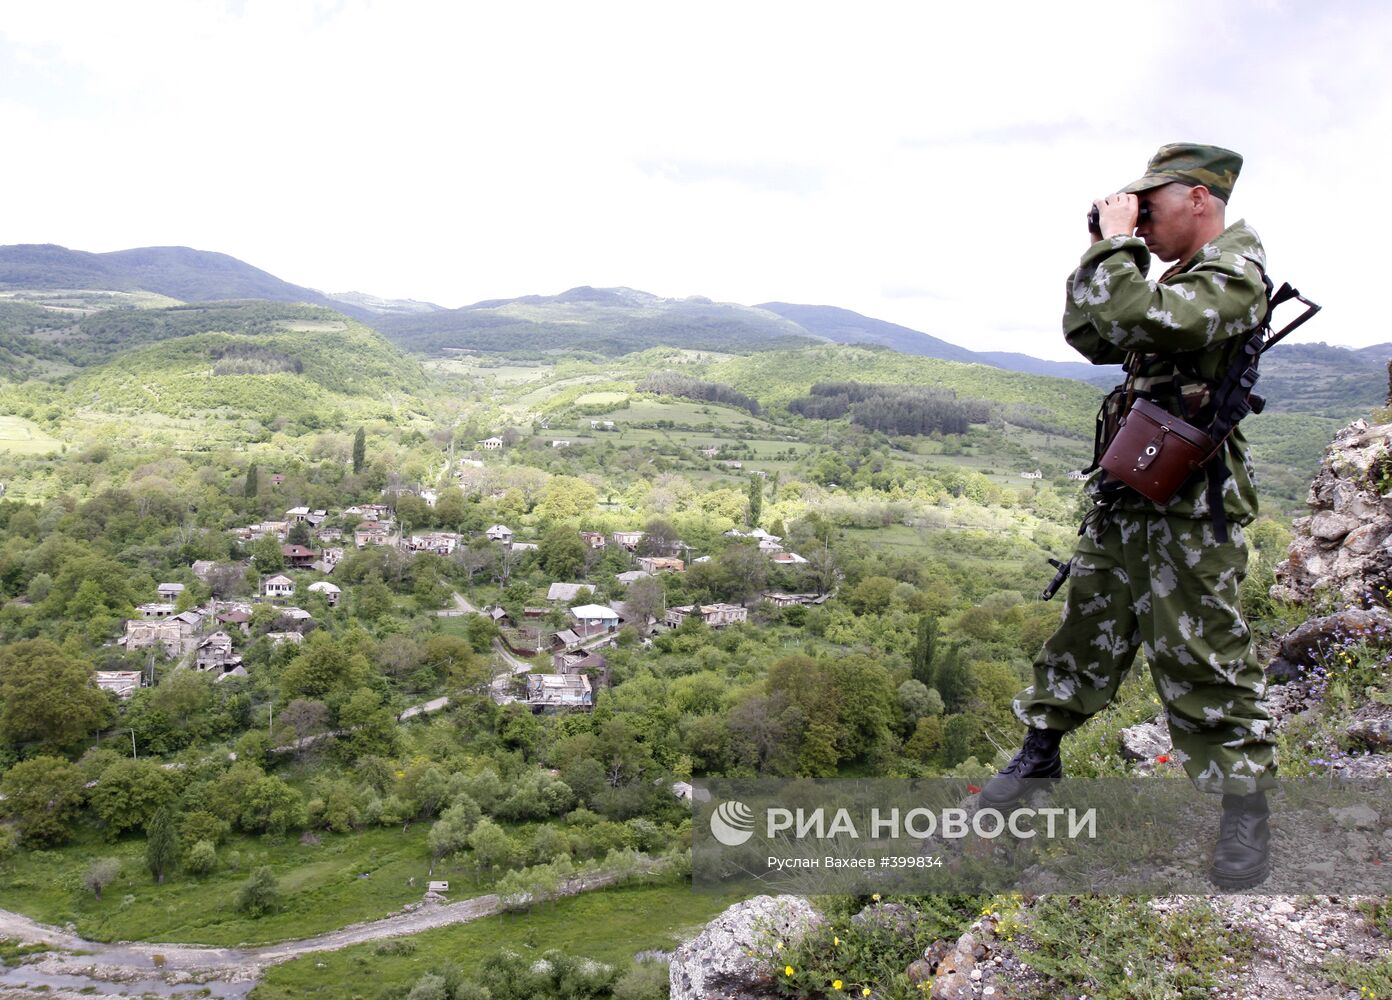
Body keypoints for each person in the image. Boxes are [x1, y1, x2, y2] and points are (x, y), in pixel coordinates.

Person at [978, 143, 1278, 890]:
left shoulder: (1235, 275)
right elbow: (1092, 336)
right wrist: (1097, 251)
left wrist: (1117, 248)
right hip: (1130, 484)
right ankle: (1039, 754)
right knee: (1090, 621)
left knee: (1200, 647)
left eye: (1153, 206)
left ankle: (1245, 812)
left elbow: (1146, 317)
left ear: (1200, 199)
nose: (1141, 222)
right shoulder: (1170, 276)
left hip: (1190, 497)